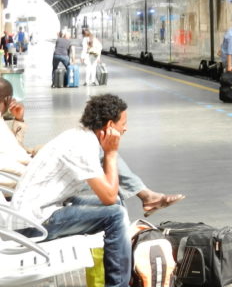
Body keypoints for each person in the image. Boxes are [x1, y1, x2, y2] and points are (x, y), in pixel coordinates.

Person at [10, 94, 183, 287]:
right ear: (109, 125)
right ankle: (118, 284)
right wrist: (111, 152)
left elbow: (111, 194)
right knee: (115, 214)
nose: (125, 128)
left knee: (117, 203)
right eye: (123, 123)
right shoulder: (82, 146)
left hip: (42, 210)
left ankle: (118, 271)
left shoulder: (82, 136)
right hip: (32, 225)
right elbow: (107, 197)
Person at [0, 79, 184, 211]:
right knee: (104, 165)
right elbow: (16, 158)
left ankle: (145, 195)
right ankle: (145, 195)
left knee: (98, 153)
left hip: (29, 167)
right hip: (31, 178)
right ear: (7, 100)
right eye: (10, 99)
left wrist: (19, 120)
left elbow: (14, 149)